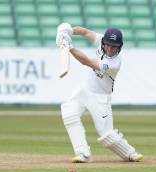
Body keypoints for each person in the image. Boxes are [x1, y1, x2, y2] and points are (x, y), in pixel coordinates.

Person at [56, 23, 143, 163]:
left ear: (119, 47)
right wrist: (69, 31)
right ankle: (83, 154)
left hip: (100, 98)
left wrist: (69, 47)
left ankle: (130, 153)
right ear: (104, 42)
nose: (110, 48)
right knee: (69, 112)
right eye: (108, 45)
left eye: (114, 46)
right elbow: (84, 32)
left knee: (106, 135)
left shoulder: (114, 63)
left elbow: (86, 62)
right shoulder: (103, 40)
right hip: (85, 90)